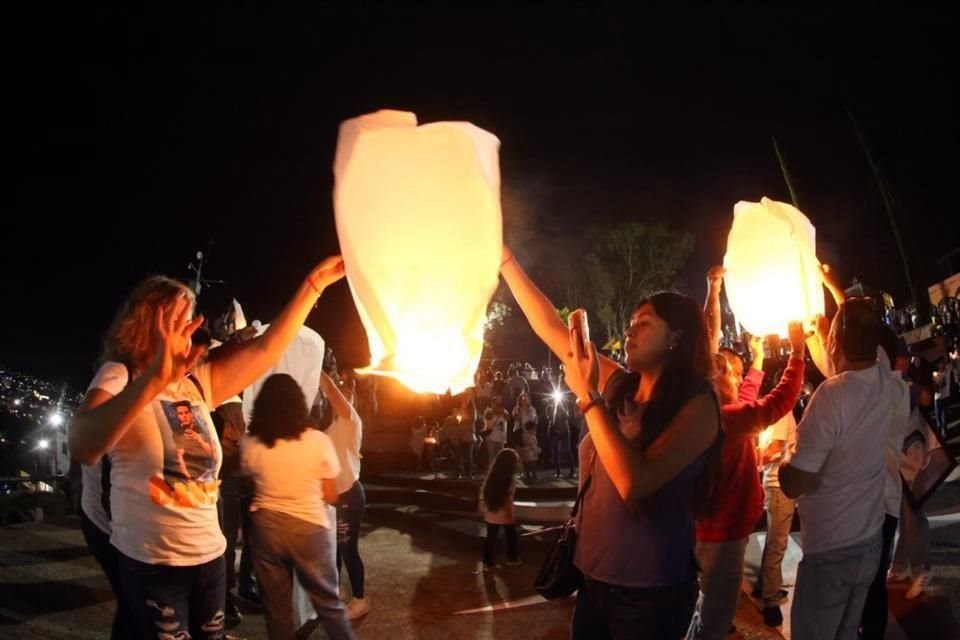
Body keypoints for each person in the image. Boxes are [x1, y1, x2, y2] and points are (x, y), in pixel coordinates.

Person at [68, 256, 344, 640]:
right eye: (179, 321)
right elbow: (83, 445)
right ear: (148, 323)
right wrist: (153, 379)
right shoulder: (121, 376)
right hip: (154, 562)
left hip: (208, 557)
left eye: (191, 319)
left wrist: (313, 286)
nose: (192, 329)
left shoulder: (199, 383)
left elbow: (265, 351)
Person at [500, 246, 722, 638]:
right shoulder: (621, 385)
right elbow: (551, 328)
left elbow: (634, 483)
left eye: (645, 322)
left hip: (650, 593)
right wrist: (506, 263)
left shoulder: (698, 405)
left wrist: (588, 397)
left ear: (677, 338)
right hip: (592, 576)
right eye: (632, 321)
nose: (630, 329)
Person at [780, 298, 910, 640]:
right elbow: (862, 336)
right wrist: (831, 325)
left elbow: (795, 482)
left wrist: (784, 457)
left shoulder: (831, 396)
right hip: (868, 540)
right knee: (848, 631)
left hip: (830, 550)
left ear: (835, 340)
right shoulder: (886, 380)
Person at [692, 323, 805, 637]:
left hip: (707, 530)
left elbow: (745, 396)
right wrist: (797, 353)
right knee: (715, 617)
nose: (738, 377)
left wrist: (757, 359)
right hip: (723, 534)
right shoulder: (728, 419)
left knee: (704, 605)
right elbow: (779, 400)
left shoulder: (712, 414)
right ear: (715, 381)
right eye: (731, 372)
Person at [241, 374, 354, 640]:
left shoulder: (250, 442)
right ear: (299, 404)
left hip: (266, 527)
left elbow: (251, 485)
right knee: (328, 604)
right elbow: (331, 494)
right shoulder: (317, 441)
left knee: (277, 611)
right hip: (307, 528)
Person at [318, 371, 370, 620]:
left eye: (346, 393)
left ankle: (360, 600)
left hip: (349, 494)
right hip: (333, 497)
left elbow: (329, 390)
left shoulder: (352, 419)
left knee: (348, 549)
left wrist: (314, 364)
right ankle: (336, 592)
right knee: (335, 549)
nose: (341, 396)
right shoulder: (331, 426)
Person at [479, 448, 522, 569]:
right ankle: (512, 558)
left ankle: (487, 561)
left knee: (491, 537)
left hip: (491, 511)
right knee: (511, 536)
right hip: (505, 512)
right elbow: (510, 495)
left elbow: (484, 492)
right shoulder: (510, 479)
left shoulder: (491, 476)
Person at [481, 399, 508, 468]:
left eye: (498, 403)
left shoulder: (504, 411)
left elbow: (508, 418)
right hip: (491, 437)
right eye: (494, 403)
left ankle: (500, 471)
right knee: (492, 456)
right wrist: (496, 411)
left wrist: (502, 411)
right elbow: (488, 417)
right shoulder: (488, 411)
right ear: (491, 403)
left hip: (501, 437)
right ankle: (491, 471)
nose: (496, 404)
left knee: (500, 456)